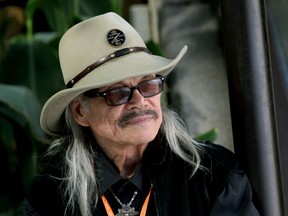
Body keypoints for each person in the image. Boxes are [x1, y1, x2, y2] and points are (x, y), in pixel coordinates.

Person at [24, 12, 260, 216]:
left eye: (148, 85)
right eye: (117, 92)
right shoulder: (50, 197)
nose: (139, 101)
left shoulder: (214, 176)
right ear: (79, 112)